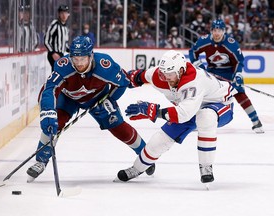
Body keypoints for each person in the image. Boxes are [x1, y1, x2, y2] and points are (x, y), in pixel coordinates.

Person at [26, 36, 154, 182]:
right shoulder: (63, 65)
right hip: (68, 98)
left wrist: (108, 98)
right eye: (75, 59)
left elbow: (123, 82)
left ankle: (144, 154)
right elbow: (49, 89)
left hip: (98, 97)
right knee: (54, 123)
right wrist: (47, 112)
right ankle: (40, 162)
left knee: (117, 125)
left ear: (91, 56)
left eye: (82, 59)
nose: (79, 63)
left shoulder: (105, 65)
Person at [116, 50, 235, 185]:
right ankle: (137, 168)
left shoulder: (193, 81)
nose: (166, 78)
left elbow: (183, 115)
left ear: (181, 70)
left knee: (205, 117)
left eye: (170, 74)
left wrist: (154, 112)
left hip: (220, 105)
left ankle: (206, 166)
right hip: (188, 108)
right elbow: (138, 77)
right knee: (159, 140)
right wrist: (119, 81)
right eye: (163, 73)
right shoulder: (158, 75)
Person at [189, 19, 264, 133]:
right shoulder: (204, 41)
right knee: (204, 94)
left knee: (240, 94)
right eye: (214, 30)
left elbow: (239, 61)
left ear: (224, 31)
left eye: (219, 30)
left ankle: (256, 122)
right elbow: (193, 51)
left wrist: (238, 74)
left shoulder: (231, 43)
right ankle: (197, 121)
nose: (217, 33)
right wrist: (197, 63)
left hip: (230, 72)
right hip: (212, 73)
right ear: (211, 31)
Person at [44, 4, 70, 71]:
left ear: (68, 14)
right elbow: (46, 40)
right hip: (54, 53)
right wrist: (53, 53)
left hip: (61, 54)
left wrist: (73, 51)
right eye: (62, 13)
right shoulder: (55, 24)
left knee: (61, 75)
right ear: (59, 14)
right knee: (57, 74)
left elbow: (65, 44)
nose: (64, 15)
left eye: (65, 13)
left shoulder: (65, 27)